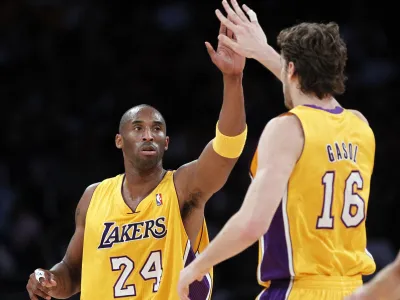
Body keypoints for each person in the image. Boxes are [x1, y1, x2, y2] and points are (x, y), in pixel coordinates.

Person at [26, 22, 247, 300]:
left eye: (157, 129)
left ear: (166, 143)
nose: (148, 135)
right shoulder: (93, 197)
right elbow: (73, 270)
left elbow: (227, 149)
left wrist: (233, 78)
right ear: (120, 140)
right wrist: (50, 280)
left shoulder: (183, 187)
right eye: (138, 128)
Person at [178, 1, 376, 299]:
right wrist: (261, 50)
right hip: (353, 289)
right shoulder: (361, 127)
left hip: (299, 289)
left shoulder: (287, 129)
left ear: (292, 69)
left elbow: (252, 223)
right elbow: (316, 101)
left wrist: (196, 268)